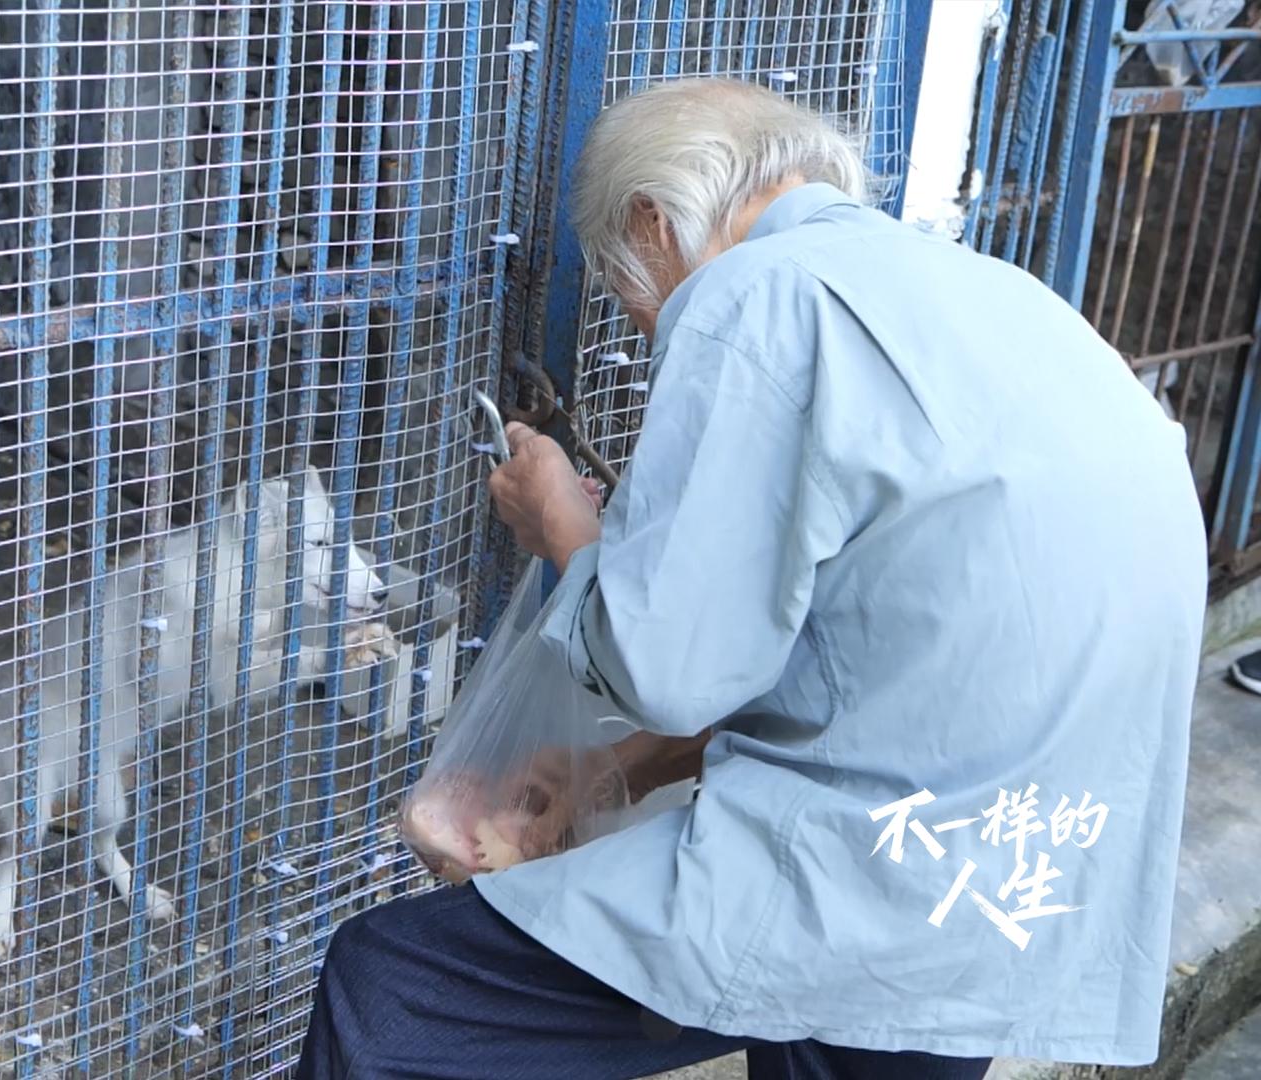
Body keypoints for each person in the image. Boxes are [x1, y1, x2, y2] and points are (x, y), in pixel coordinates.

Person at [295, 78, 1206, 1079]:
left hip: (879, 869)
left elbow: (670, 669)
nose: (648, 334)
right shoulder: (994, 294)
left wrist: (564, 532)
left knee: (389, 985)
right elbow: (865, 638)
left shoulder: (755, 297)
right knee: (843, 1036)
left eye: (630, 300)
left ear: (653, 221)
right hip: (1032, 869)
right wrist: (610, 763)